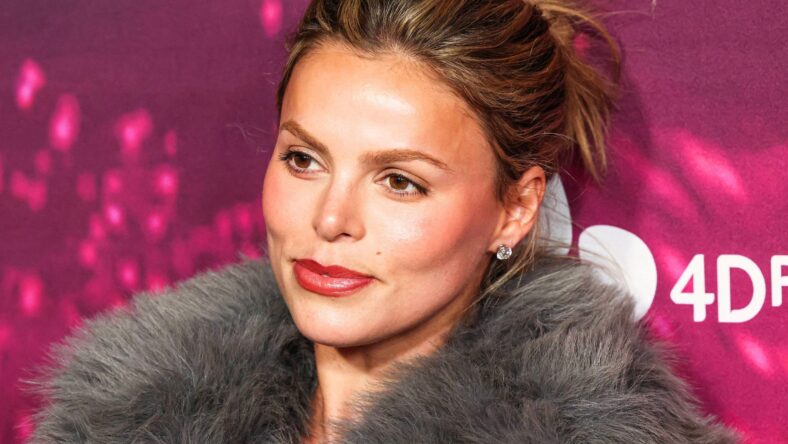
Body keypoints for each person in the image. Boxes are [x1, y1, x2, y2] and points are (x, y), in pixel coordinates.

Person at [25, 0, 737, 442]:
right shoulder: (119, 421)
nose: (331, 219)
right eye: (304, 160)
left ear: (515, 209)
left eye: (400, 181)